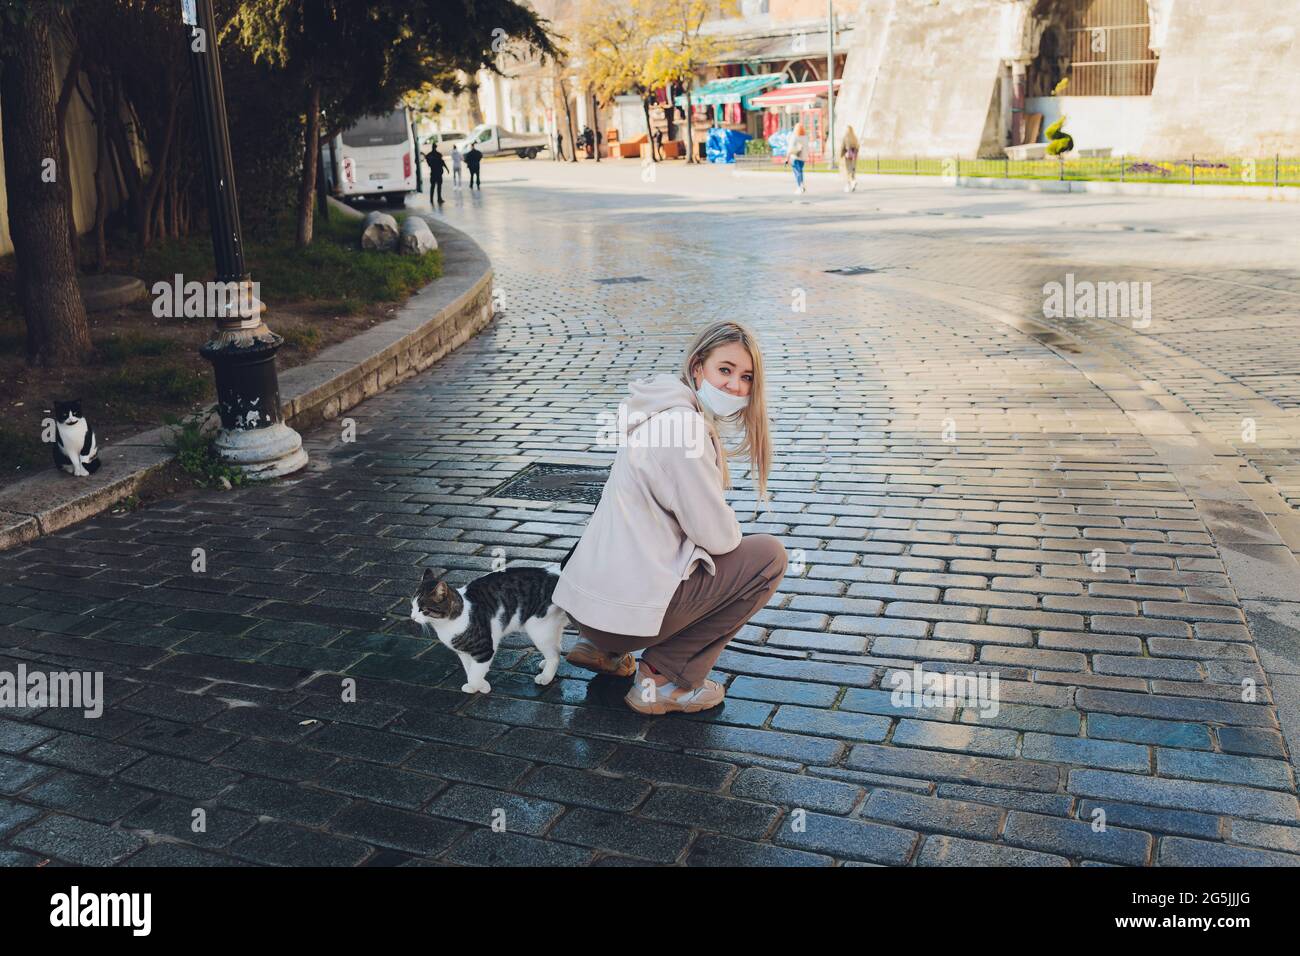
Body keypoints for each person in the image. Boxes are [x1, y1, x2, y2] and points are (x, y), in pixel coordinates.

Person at [553, 320, 785, 715]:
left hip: (589, 614)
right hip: (618, 619)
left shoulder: (656, 413)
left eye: (746, 377)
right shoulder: (686, 429)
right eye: (724, 370)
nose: (735, 386)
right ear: (698, 368)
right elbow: (719, 537)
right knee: (768, 556)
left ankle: (604, 652)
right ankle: (662, 680)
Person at [783, 122, 807, 194]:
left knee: (797, 172)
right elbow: (807, 148)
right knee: (800, 171)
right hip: (803, 157)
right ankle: (801, 185)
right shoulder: (805, 137)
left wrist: (787, 158)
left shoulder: (794, 136)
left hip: (795, 157)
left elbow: (790, 148)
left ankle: (799, 186)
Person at [840, 124, 860, 192]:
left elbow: (842, 146)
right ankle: (853, 181)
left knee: (847, 171)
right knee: (853, 169)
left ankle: (848, 186)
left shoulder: (846, 137)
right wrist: (855, 153)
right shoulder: (855, 137)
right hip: (854, 156)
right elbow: (858, 146)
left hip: (847, 156)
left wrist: (841, 154)